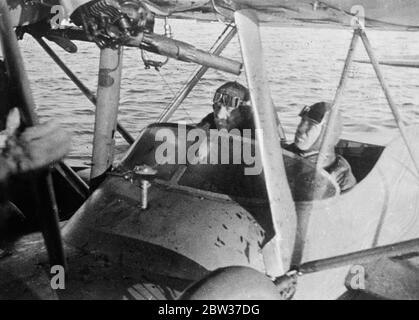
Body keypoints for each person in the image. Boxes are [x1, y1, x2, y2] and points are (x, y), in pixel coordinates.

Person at [286, 101, 356, 192]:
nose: (300, 128)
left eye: (311, 125)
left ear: (326, 134)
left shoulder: (340, 179)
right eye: (302, 120)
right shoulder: (283, 154)